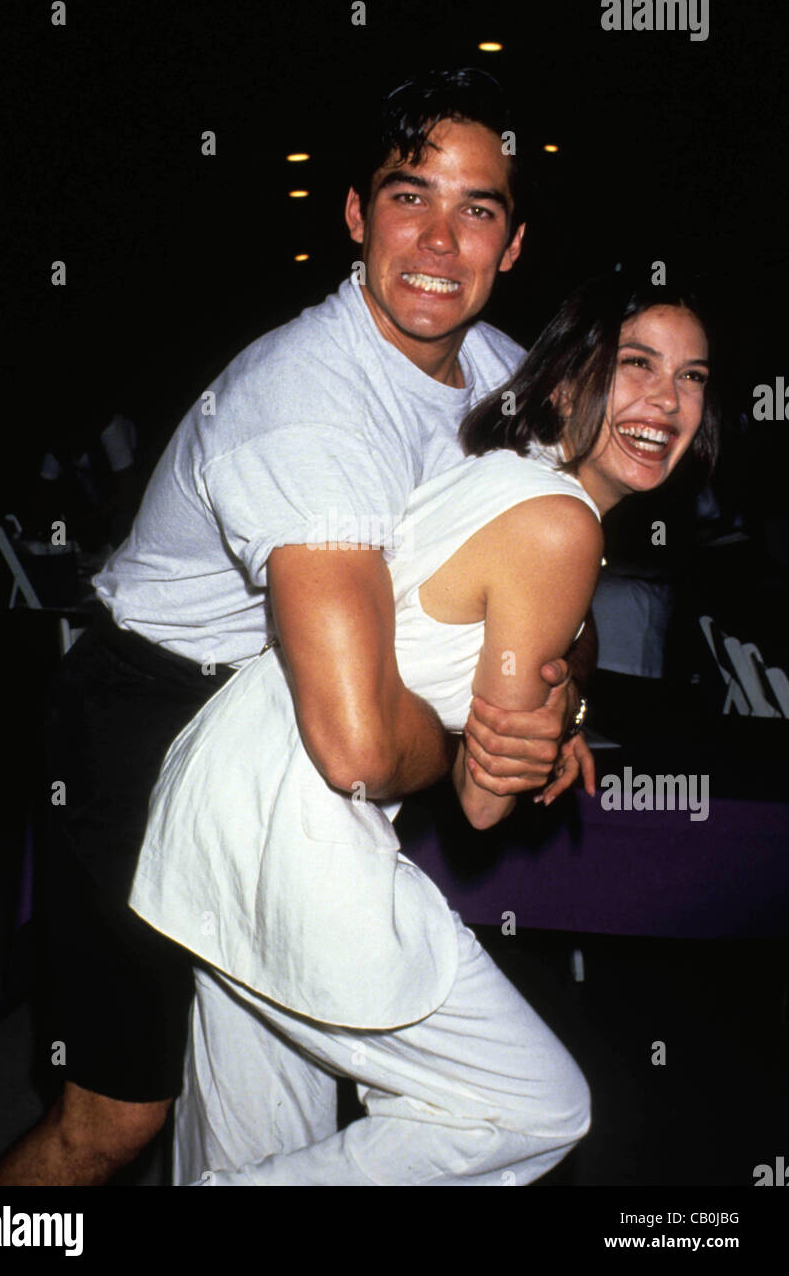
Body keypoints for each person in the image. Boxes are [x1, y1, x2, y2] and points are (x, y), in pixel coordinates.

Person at [0, 68, 594, 1187]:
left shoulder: (507, 375)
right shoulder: (306, 400)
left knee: (277, 1105)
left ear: (512, 246)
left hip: (284, 730)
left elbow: (554, 558)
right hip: (156, 719)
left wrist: (553, 703)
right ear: (356, 216)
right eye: (410, 196)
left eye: (479, 208)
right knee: (115, 1119)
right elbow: (359, 746)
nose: (439, 237)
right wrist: (480, 745)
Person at [130, 275, 719, 1186]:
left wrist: (558, 710)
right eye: (636, 364)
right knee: (531, 1105)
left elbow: (518, 649)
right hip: (294, 831)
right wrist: (538, 730)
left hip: (220, 793)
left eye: (692, 377)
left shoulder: (501, 472)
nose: (666, 401)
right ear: (565, 383)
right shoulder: (561, 527)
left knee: (258, 1147)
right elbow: (483, 804)